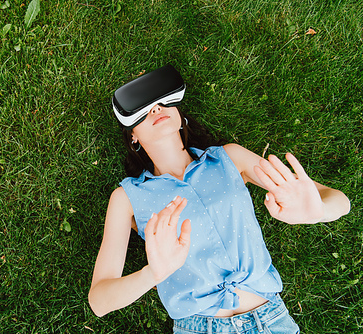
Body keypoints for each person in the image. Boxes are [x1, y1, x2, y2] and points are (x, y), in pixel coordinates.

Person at [88, 65, 350, 333]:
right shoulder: (127, 198)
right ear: (133, 136)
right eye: (143, 109)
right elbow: (99, 300)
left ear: (180, 115)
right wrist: (152, 273)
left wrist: (316, 212)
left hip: (272, 319)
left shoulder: (230, 158)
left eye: (163, 101)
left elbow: (340, 201)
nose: (156, 108)